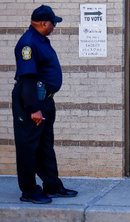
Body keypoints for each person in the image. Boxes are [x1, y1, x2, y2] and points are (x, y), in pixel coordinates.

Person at [12, 5, 78, 204]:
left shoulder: (40, 40)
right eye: (53, 23)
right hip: (32, 102)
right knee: (28, 148)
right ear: (43, 23)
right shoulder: (28, 44)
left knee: (45, 146)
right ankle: (29, 191)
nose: (54, 26)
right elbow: (28, 79)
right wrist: (34, 109)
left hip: (45, 100)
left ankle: (52, 185)